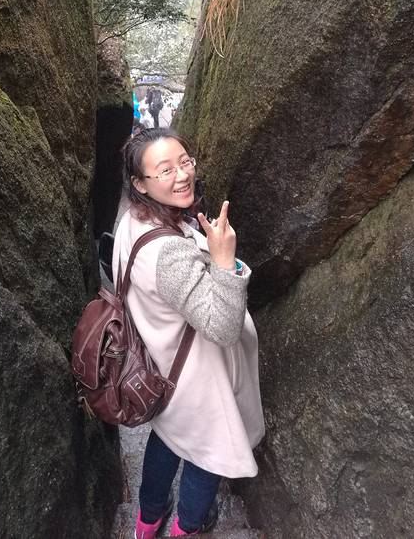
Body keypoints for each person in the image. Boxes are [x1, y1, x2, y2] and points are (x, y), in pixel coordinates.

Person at [113, 128, 264, 538]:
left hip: (162, 368)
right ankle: (187, 527)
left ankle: (147, 521)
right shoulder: (170, 253)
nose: (182, 175)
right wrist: (224, 261)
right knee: (208, 454)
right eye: (165, 170)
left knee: (166, 438)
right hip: (198, 383)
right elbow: (223, 328)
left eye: (185, 162)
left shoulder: (133, 220)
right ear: (140, 183)